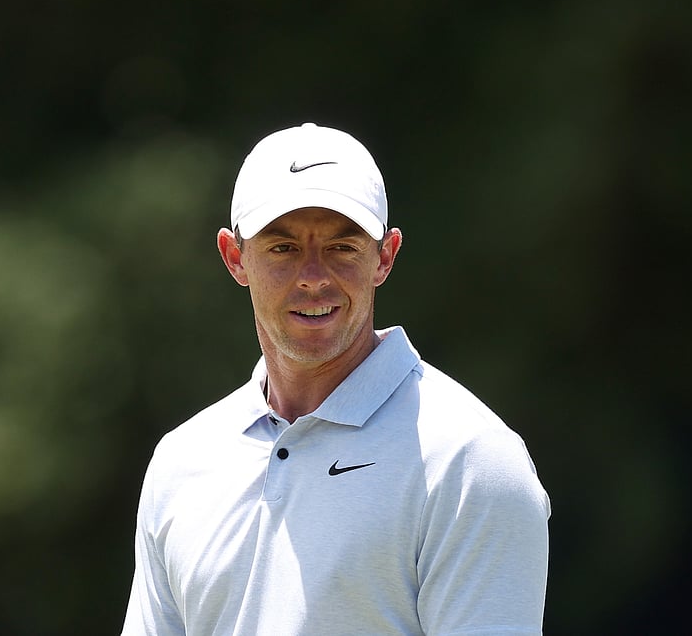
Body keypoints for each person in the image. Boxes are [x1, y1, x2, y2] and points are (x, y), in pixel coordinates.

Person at [121, 123, 550, 635]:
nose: (314, 276)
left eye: (342, 247)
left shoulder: (469, 459)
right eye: (282, 249)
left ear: (384, 257)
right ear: (235, 258)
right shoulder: (182, 461)